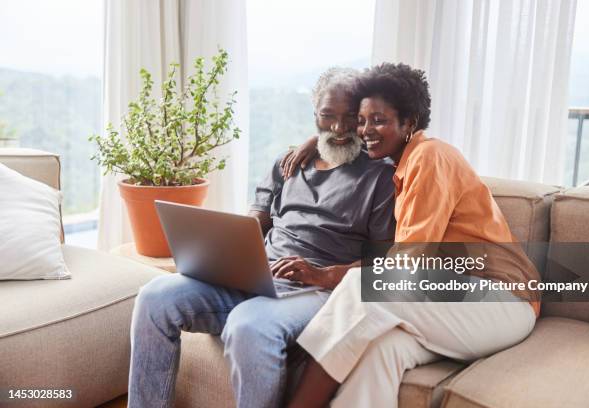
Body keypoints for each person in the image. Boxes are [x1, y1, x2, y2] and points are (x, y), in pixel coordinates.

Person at [127, 67, 397, 408]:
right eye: (328, 116)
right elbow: (258, 217)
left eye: (349, 118)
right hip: (258, 275)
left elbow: (383, 262)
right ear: (315, 115)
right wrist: (230, 245)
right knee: (155, 297)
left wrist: (322, 274)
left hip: (317, 289)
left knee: (249, 326)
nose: (340, 128)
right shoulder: (289, 163)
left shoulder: (380, 176)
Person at [279, 63, 541, 408]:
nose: (366, 129)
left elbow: (405, 264)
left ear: (410, 122)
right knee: (382, 352)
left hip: (501, 301)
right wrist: (320, 139)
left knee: (362, 289)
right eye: (362, 120)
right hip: (454, 300)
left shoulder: (430, 156)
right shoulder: (398, 163)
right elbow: (348, 138)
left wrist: (326, 275)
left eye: (379, 120)